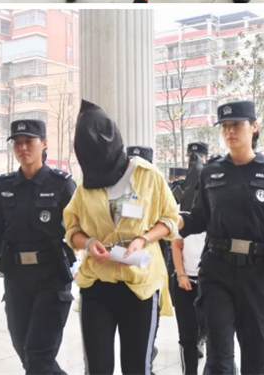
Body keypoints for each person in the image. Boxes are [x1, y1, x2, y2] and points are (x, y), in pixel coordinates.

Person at [178, 101, 264, 375]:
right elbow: (199, 217)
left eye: (236, 125)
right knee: (218, 356)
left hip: (258, 273)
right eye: (224, 126)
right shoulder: (211, 171)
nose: (229, 131)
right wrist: (173, 221)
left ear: (254, 126)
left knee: (258, 355)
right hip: (217, 271)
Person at [63, 100, 179, 375]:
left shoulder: (148, 176)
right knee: (98, 368)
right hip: (97, 285)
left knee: (137, 367)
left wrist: (143, 239)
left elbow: (170, 219)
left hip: (139, 285)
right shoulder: (85, 186)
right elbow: (72, 229)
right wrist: (89, 243)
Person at [0, 120, 75, 375]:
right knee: (25, 350)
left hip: (52, 276)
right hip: (17, 278)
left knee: (39, 354)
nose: (23, 147)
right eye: (17, 143)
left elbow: (81, 228)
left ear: (44, 144)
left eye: (29, 141)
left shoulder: (61, 184)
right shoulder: (5, 186)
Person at [171, 141, 210, 375]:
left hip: (212, 282)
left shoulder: (218, 210)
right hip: (186, 281)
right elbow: (176, 245)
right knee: (187, 338)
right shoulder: (182, 212)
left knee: (217, 337)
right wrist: (181, 275)